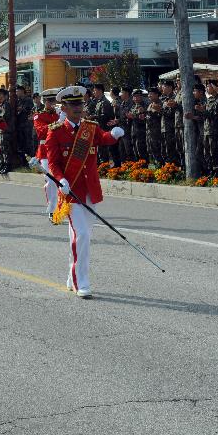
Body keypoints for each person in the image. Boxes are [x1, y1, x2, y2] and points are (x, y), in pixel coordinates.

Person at [44, 86, 123, 298]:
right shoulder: (56, 131)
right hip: (71, 191)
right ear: (64, 107)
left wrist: (113, 135)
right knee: (83, 235)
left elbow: (102, 138)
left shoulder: (90, 127)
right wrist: (60, 179)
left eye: (81, 104)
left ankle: (72, 275)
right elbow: (53, 162)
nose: (79, 108)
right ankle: (82, 282)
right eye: (74, 105)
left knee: (80, 236)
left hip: (89, 190)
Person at [33, 88, 64, 220]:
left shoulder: (61, 114)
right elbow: (41, 132)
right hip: (45, 150)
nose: (52, 103)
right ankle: (52, 208)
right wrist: (58, 122)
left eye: (54, 101)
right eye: (50, 101)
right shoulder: (39, 116)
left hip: (59, 149)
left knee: (60, 179)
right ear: (45, 102)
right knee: (51, 180)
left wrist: (63, 117)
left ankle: (60, 206)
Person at [202, 80, 218, 177]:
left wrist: (203, 111)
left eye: (209, 86)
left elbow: (216, 114)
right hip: (207, 130)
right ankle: (210, 171)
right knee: (207, 152)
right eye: (207, 86)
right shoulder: (209, 100)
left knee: (215, 152)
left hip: (216, 130)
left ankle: (217, 172)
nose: (207, 88)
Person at [185, 83, 207, 175]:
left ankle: (206, 172)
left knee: (202, 152)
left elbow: (206, 117)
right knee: (199, 153)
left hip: (205, 130)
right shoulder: (196, 101)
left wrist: (193, 117)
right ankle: (203, 172)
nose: (193, 93)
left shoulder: (205, 101)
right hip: (199, 131)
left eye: (195, 91)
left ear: (201, 92)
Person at [160, 80, 179, 165]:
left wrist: (160, 110)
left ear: (170, 87)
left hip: (171, 128)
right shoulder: (163, 98)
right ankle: (167, 168)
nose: (162, 88)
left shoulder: (174, 98)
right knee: (164, 149)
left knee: (171, 149)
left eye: (164, 86)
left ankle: (173, 168)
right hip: (163, 127)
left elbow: (172, 113)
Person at [128, 89, 148, 162]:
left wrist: (135, 117)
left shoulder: (145, 105)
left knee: (142, 150)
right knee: (135, 149)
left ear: (141, 97)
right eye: (134, 97)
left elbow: (146, 118)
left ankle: (146, 167)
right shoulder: (133, 106)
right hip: (134, 131)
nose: (136, 98)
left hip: (142, 132)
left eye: (138, 96)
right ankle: (139, 167)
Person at [145, 87, 164, 165]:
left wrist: (158, 110)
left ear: (156, 94)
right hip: (149, 131)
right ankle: (153, 169)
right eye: (148, 94)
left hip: (157, 132)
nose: (149, 96)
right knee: (150, 150)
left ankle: (160, 168)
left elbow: (162, 115)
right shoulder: (150, 104)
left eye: (151, 94)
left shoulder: (161, 103)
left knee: (157, 150)